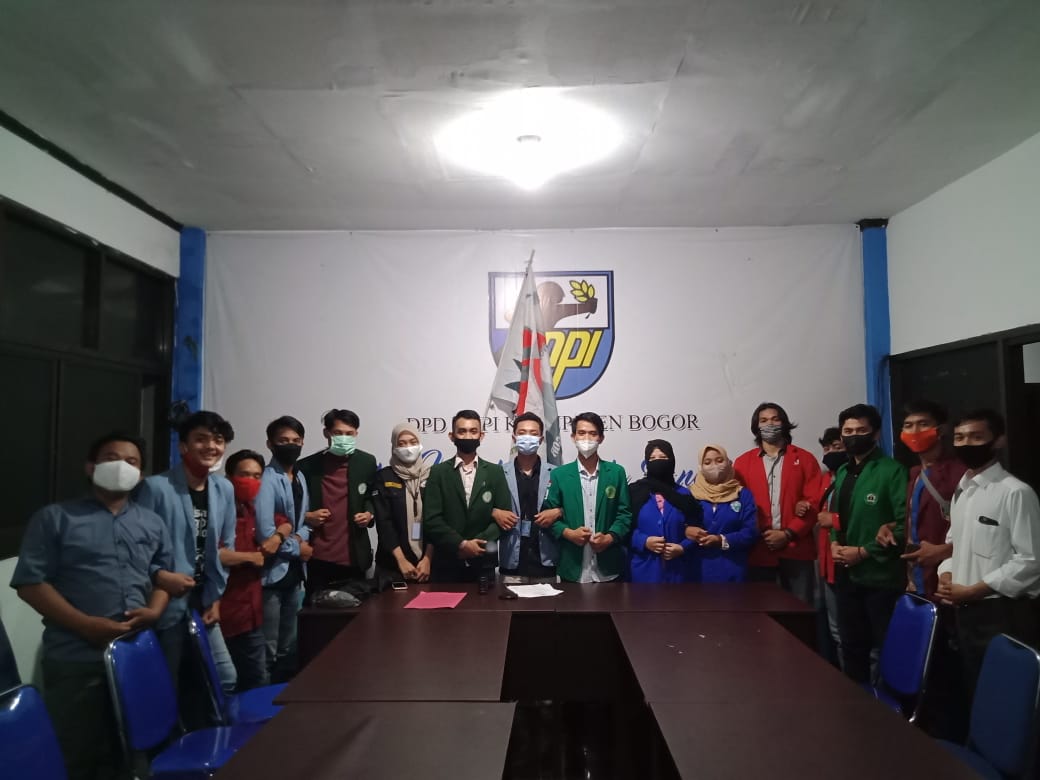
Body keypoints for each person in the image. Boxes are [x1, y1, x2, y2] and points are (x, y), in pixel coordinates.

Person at [11, 432, 172, 780]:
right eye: (111, 458)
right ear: (90, 467)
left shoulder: (152, 522)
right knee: (76, 754)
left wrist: (156, 610)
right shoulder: (55, 518)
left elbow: (162, 575)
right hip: (76, 658)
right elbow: (30, 584)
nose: (121, 466)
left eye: (131, 462)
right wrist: (85, 625)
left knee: (133, 752)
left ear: (140, 474)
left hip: (135, 655)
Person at [136, 410, 238, 714]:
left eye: (218, 440)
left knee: (225, 678)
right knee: (168, 684)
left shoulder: (224, 488)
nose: (211, 446)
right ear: (183, 446)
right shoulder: (156, 487)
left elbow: (225, 545)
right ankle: (170, 741)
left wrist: (216, 598)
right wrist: (160, 576)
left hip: (205, 598)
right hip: (165, 601)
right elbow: (136, 549)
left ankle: (211, 735)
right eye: (201, 439)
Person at [937, 408, 1040, 695]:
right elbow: (955, 543)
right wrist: (946, 574)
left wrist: (975, 590)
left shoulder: (1015, 492)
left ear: (998, 441)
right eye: (959, 437)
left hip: (1002, 612)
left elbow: (1031, 561)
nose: (966, 444)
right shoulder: (962, 490)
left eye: (976, 437)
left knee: (1005, 694)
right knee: (973, 687)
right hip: (964, 611)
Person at [828, 403, 908, 684]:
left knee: (887, 648)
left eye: (861, 430)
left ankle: (887, 705)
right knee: (851, 646)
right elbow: (837, 518)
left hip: (880, 577)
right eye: (848, 431)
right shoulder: (843, 471)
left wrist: (864, 552)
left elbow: (903, 525)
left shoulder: (892, 471)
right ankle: (855, 703)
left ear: (875, 434)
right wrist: (834, 544)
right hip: (846, 575)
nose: (853, 436)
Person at [734, 402, 821, 604]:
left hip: (796, 547)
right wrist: (759, 531)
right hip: (758, 548)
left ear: (784, 423)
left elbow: (814, 501)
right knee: (761, 610)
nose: (770, 424)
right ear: (756, 426)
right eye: (763, 420)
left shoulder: (805, 459)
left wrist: (788, 533)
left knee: (800, 609)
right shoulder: (742, 463)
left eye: (775, 419)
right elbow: (739, 505)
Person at [879, 400, 964, 598]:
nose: (915, 431)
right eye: (908, 425)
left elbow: (980, 533)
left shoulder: (959, 474)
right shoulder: (915, 473)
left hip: (948, 580)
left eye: (923, 424)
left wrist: (943, 551)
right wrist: (891, 526)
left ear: (941, 430)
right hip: (915, 580)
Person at [541, 412, 632, 583]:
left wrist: (610, 537)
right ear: (573, 437)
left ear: (601, 438)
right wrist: (568, 533)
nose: (587, 439)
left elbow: (625, 514)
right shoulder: (559, 475)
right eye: (581, 433)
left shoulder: (616, 473)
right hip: (572, 568)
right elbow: (548, 516)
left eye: (593, 433)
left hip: (609, 569)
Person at [296, 409, 377, 600]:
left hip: (355, 556)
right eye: (338, 433)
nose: (344, 438)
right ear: (326, 433)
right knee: (316, 613)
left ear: (356, 433)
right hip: (318, 556)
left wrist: (369, 513)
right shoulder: (306, 466)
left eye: (349, 433)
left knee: (356, 613)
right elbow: (292, 507)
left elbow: (371, 497)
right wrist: (307, 516)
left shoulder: (366, 462)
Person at [423, 410, 511, 583]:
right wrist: (461, 544)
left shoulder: (495, 472)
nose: (468, 436)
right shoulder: (438, 472)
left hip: (483, 561)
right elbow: (432, 519)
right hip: (447, 562)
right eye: (462, 431)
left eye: (473, 431)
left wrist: (476, 544)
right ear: (452, 436)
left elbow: (504, 518)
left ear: (481, 435)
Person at [255, 415, 312, 682]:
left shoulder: (299, 476)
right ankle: (263, 697)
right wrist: (297, 549)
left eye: (295, 440)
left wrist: (298, 538)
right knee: (268, 647)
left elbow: (304, 522)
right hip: (272, 575)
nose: (290, 445)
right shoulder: (266, 479)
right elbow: (265, 534)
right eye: (283, 440)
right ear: (270, 444)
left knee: (288, 646)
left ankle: (283, 692)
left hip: (294, 574)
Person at [220, 449, 270, 692]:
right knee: (226, 683)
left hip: (252, 613)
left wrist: (281, 535)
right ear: (229, 477)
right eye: (244, 475)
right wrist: (251, 557)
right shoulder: (218, 511)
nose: (251, 481)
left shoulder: (252, 509)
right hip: (223, 613)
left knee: (258, 679)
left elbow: (282, 521)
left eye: (257, 476)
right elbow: (213, 553)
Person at [496, 413, 560, 584]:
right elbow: (484, 505)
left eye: (533, 433)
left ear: (541, 439)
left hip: (545, 561)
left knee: (547, 602)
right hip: (512, 561)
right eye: (522, 433)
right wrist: (494, 512)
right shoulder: (499, 473)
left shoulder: (556, 473)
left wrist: (558, 511)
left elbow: (571, 506)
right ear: (514, 437)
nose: (527, 437)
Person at [628, 440, 702, 583]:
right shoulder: (634, 491)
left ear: (672, 460)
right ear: (646, 463)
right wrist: (644, 541)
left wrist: (682, 547)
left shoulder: (684, 494)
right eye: (652, 458)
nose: (658, 462)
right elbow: (624, 528)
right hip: (644, 571)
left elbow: (697, 527)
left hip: (678, 572)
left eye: (663, 457)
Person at [373, 422, 434, 589]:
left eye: (413, 442)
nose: (408, 448)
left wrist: (428, 558)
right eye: (402, 443)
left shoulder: (433, 475)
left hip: (428, 565)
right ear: (394, 447)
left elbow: (437, 520)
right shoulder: (384, 477)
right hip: (392, 565)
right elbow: (384, 522)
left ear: (420, 444)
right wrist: (401, 560)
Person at [686, 444, 757, 583]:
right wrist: (686, 530)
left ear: (728, 463)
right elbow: (676, 526)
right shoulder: (689, 495)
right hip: (696, 570)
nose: (714, 466)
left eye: (719, 460)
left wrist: (721, 540)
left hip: (733, 569)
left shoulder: (743, 495)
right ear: (700, 467)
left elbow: (750, 532)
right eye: (707, 462)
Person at [815, 427, 847, 666]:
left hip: (850, 561)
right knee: (834, 629)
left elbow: (867, 518)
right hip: (826, 564)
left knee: (852, 630)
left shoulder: (854, 477)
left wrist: (834, 520)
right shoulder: (825, 479)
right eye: (826, 448)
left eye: (837, 447)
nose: (830, 453)